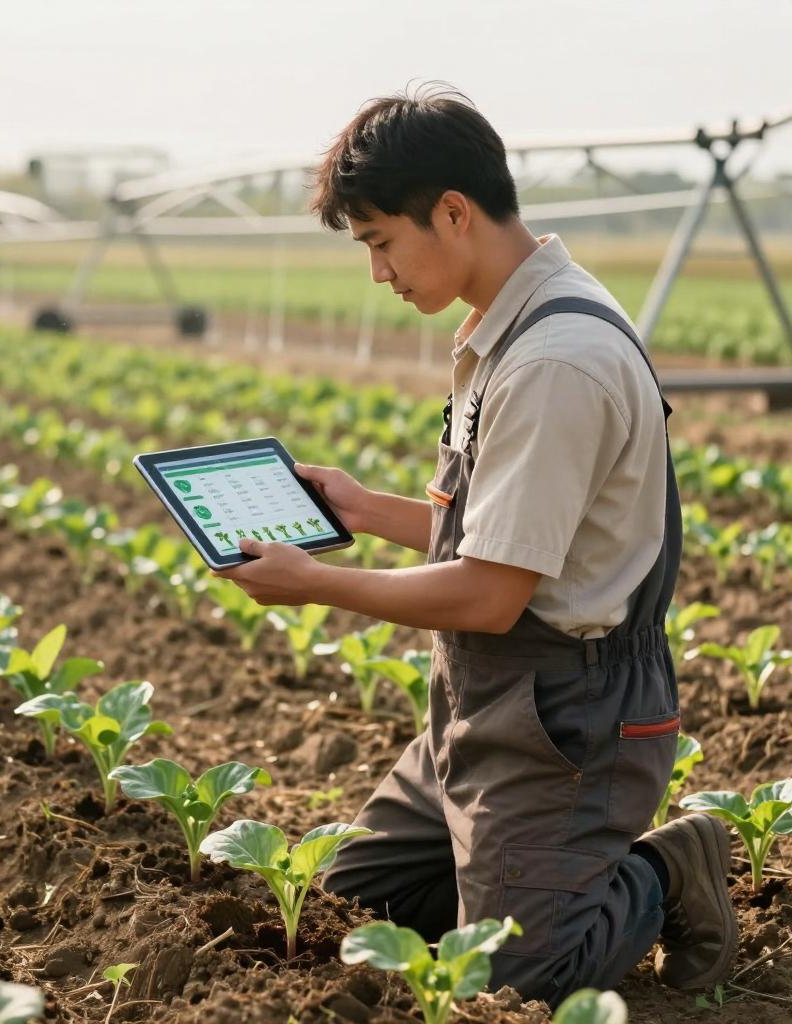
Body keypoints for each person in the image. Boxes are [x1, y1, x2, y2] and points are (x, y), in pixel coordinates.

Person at [214, 85, 737, 1005]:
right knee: (353, 912)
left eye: (381, 241)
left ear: (453, 212)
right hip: (484, 695)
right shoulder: (508, 329)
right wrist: (365, 508)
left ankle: (665, 871)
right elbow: (503, 539)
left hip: (568, 719)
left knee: (515, 987)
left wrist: (319, 584)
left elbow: (493, 593)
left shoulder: (552, 361)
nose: (378, 272)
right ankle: (521, 876)